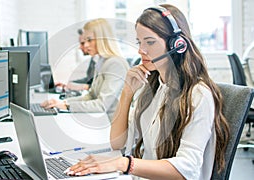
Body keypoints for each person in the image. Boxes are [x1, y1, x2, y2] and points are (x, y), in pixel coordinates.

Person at [66, 4, 230, 179]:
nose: (141, 50)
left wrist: (124, 163)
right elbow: (117, 142)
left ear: (177, 45)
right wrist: (127, 93)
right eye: (139, 42)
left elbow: (187, 168)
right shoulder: (153, 87)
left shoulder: (197, 94)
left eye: (150, 42)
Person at [41, 18, 130, 121]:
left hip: (113, 125)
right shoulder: (101, 61)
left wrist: (67, 106)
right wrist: (64, 103)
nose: (86, 45)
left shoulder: (115, 64)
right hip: (102, 121)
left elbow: (102, 105)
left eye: (89, 40)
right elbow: (91, 96)